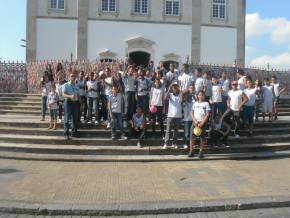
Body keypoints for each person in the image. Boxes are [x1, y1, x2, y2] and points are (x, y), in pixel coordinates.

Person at [188, 91, 211, 158]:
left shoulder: (206, 103)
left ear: (204, 96)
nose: (201, 96)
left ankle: (201, 152)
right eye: (199, 95)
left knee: (202, 138)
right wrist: (195, 121)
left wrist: (202, 123)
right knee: (192, 137)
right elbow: (191, 112)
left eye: (202, 95)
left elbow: (207, 114)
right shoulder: (195, 103)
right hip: (195, 122)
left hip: (202, 122)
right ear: (197, 96)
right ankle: (191, 151)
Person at [163, 83, 183, 149]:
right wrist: (169, 89)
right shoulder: (170, 94)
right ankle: (166, 143)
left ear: (177, 88)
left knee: (176, 131)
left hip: (178, 116)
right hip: (170, 115)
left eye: (175, 87)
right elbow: (165, 98)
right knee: (168, 130)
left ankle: (174, 143)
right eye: (173, 87)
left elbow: (181, 100)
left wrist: (180, 90)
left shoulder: (180, 94)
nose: (174, 88)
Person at [62, 73, 80, 140]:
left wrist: (81, 103)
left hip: (75, 103)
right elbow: (63, 94)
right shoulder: (65, 85)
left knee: (75, 118)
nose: (73, 77)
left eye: (74, 76)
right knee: (67, 118)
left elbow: (78, 94)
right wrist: (70, 96)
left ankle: (74, 132)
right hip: (68, 102)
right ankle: (66, 133)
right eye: (71, 76)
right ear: (69, 77)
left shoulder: (76, 85)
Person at [182, 84, 195, 149]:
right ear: (188, 89)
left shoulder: (194, 97)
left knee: (192, 132)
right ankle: (185, 143)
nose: (191, 89)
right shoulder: (185, 97)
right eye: (190, 88)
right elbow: (182, 100)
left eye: (192, 88)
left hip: (193, 118)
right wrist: (186, 93)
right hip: (186, 118)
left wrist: (193, 96)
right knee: (186, 132)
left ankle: (191, 143)